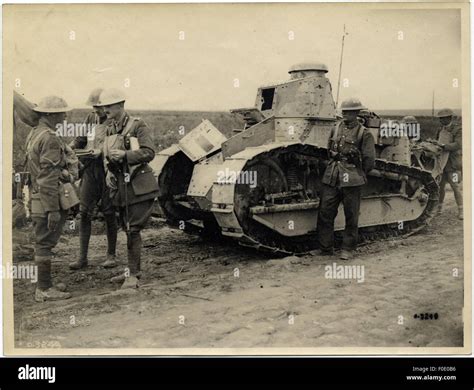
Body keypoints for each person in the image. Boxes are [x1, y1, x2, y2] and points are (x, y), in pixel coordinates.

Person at [96, 88, 159, 289]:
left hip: (139, 186)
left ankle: (132, 275)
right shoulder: (109, 129)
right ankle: (132, 271)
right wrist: (110, 170)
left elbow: (149, 152)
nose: (105, 110)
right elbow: (108, 156)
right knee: (126, 227)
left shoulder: (137, 126)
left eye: (109, 106)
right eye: (104, 107)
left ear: (121, 105)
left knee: (133, 229)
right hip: (121, 186)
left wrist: (125, 156)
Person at [26, 96, 76, 302]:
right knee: (45, 243)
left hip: (38, 196)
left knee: (43, 242)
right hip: (48, 198)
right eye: (62, 112)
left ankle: (45, 285)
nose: (65, 116)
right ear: (50, 114)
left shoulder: (35, 133)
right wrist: (53, 210)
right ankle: (44, 289)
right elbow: (48, 177)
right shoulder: (51, 138)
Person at [315, 98, 376, 260]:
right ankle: (325, 248)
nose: (345, 115)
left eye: (349, 112)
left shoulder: (364, 133)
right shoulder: (335, 129)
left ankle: (348, 248)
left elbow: (369, 160)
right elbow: (329, 150)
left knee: (351, 215)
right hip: (333, 176)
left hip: (352, 178)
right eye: (344, 112)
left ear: (356, 113)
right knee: (325, 212)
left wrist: (358, 173)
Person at [69, 88, 118, 270]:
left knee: (109, 212)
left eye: (99, 107)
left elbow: (120, 145)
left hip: (107, 170)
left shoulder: (115, 121)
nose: (96, 110)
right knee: (84, 212)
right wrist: (70, 148)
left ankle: (111, 255)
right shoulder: (90, 119)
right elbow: (81, 140)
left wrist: (104, 153)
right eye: (94, 107)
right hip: (90, 170)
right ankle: (82, 258)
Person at [436, 108, 463, 220]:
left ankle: (461, 210)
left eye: (443, 118)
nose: (441, 120)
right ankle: (439, 208)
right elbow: (437, 141)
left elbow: (458, 144)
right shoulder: (440, 130)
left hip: (453, 163)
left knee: (455, 186)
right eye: (440, 119)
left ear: (449, 118)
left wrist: (444, 146)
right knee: (440, 187)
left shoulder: (458, 129)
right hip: (442, 163)